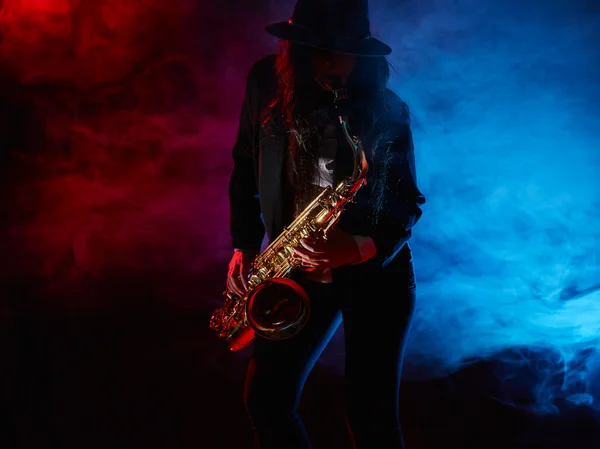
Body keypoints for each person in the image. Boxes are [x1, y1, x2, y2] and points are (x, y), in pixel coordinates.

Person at [225, 0, 426, 448]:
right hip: (295, 268)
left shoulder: (387, 111)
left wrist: (354, 247)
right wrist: (242, 243)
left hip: (376, 274)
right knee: (267, 401)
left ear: (364, 54)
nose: (328, 63)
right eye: (315, 50)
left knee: (370, 417)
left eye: (340, 52)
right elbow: (243, 162)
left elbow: (407, 205)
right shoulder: (267, 83)